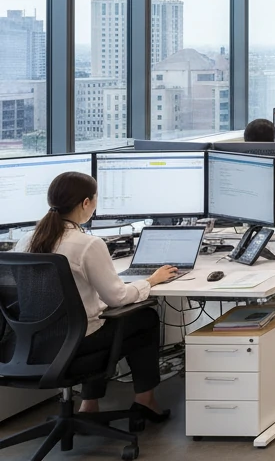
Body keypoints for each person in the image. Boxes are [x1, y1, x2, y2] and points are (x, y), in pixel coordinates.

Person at [23, 172, 176, 423]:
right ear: (86, 203)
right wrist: (151, 280)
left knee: (94, 317)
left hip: (34, 344)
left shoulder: (27, 239)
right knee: (145, 317)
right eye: (95, 200)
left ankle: (89, 405)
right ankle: (145, 401)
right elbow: (117, 297)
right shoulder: (87, 244)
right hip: (76, 345)